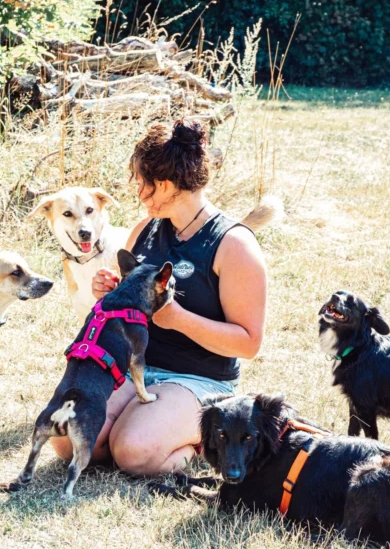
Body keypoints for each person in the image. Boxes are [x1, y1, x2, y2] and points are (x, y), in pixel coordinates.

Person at [50, 119, 268, 475]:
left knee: (131, 452)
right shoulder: (145, 230)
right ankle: (146, 422)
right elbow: (129, 306)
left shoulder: (234, 245)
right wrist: (110, 292)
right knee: (65, 437)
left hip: (200, 377)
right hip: (137, 368)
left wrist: (179, 319)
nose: (138, 192)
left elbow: (248, 343)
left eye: (141, 183)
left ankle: (199, 444)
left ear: (164, 185)